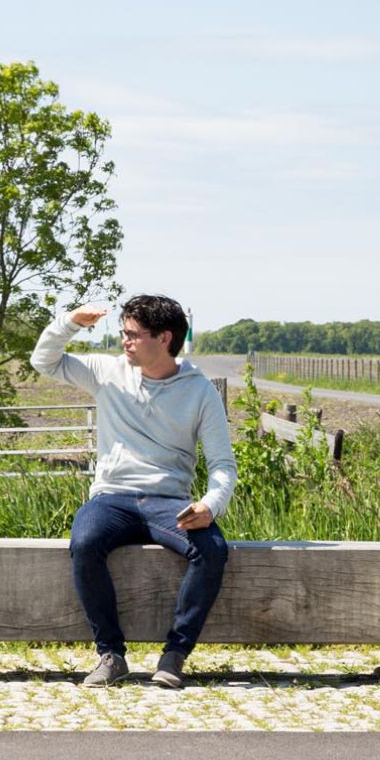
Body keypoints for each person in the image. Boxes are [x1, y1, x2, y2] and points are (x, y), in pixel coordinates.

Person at [31, 294, 235, 688]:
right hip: (112, 498)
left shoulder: (199, 392)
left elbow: (223, 466)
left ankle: (174, 657)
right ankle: (110, 655)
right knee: (85, 540)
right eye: (123, 333)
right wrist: (71, 321)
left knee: (212, 549)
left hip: (170, 502)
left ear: (164, 338)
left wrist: (210, 506)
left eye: (133, 334)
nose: (124, 341)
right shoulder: (107, 372)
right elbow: (44, 360)